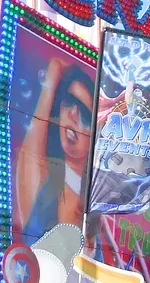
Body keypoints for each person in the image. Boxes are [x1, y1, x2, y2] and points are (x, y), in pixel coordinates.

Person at [15, 59, 96, 242]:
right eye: (68, 101)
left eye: (84, 113)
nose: (73, 114)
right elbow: (30, 155)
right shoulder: (48, 187)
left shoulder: (97, 205)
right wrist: (53, 73)